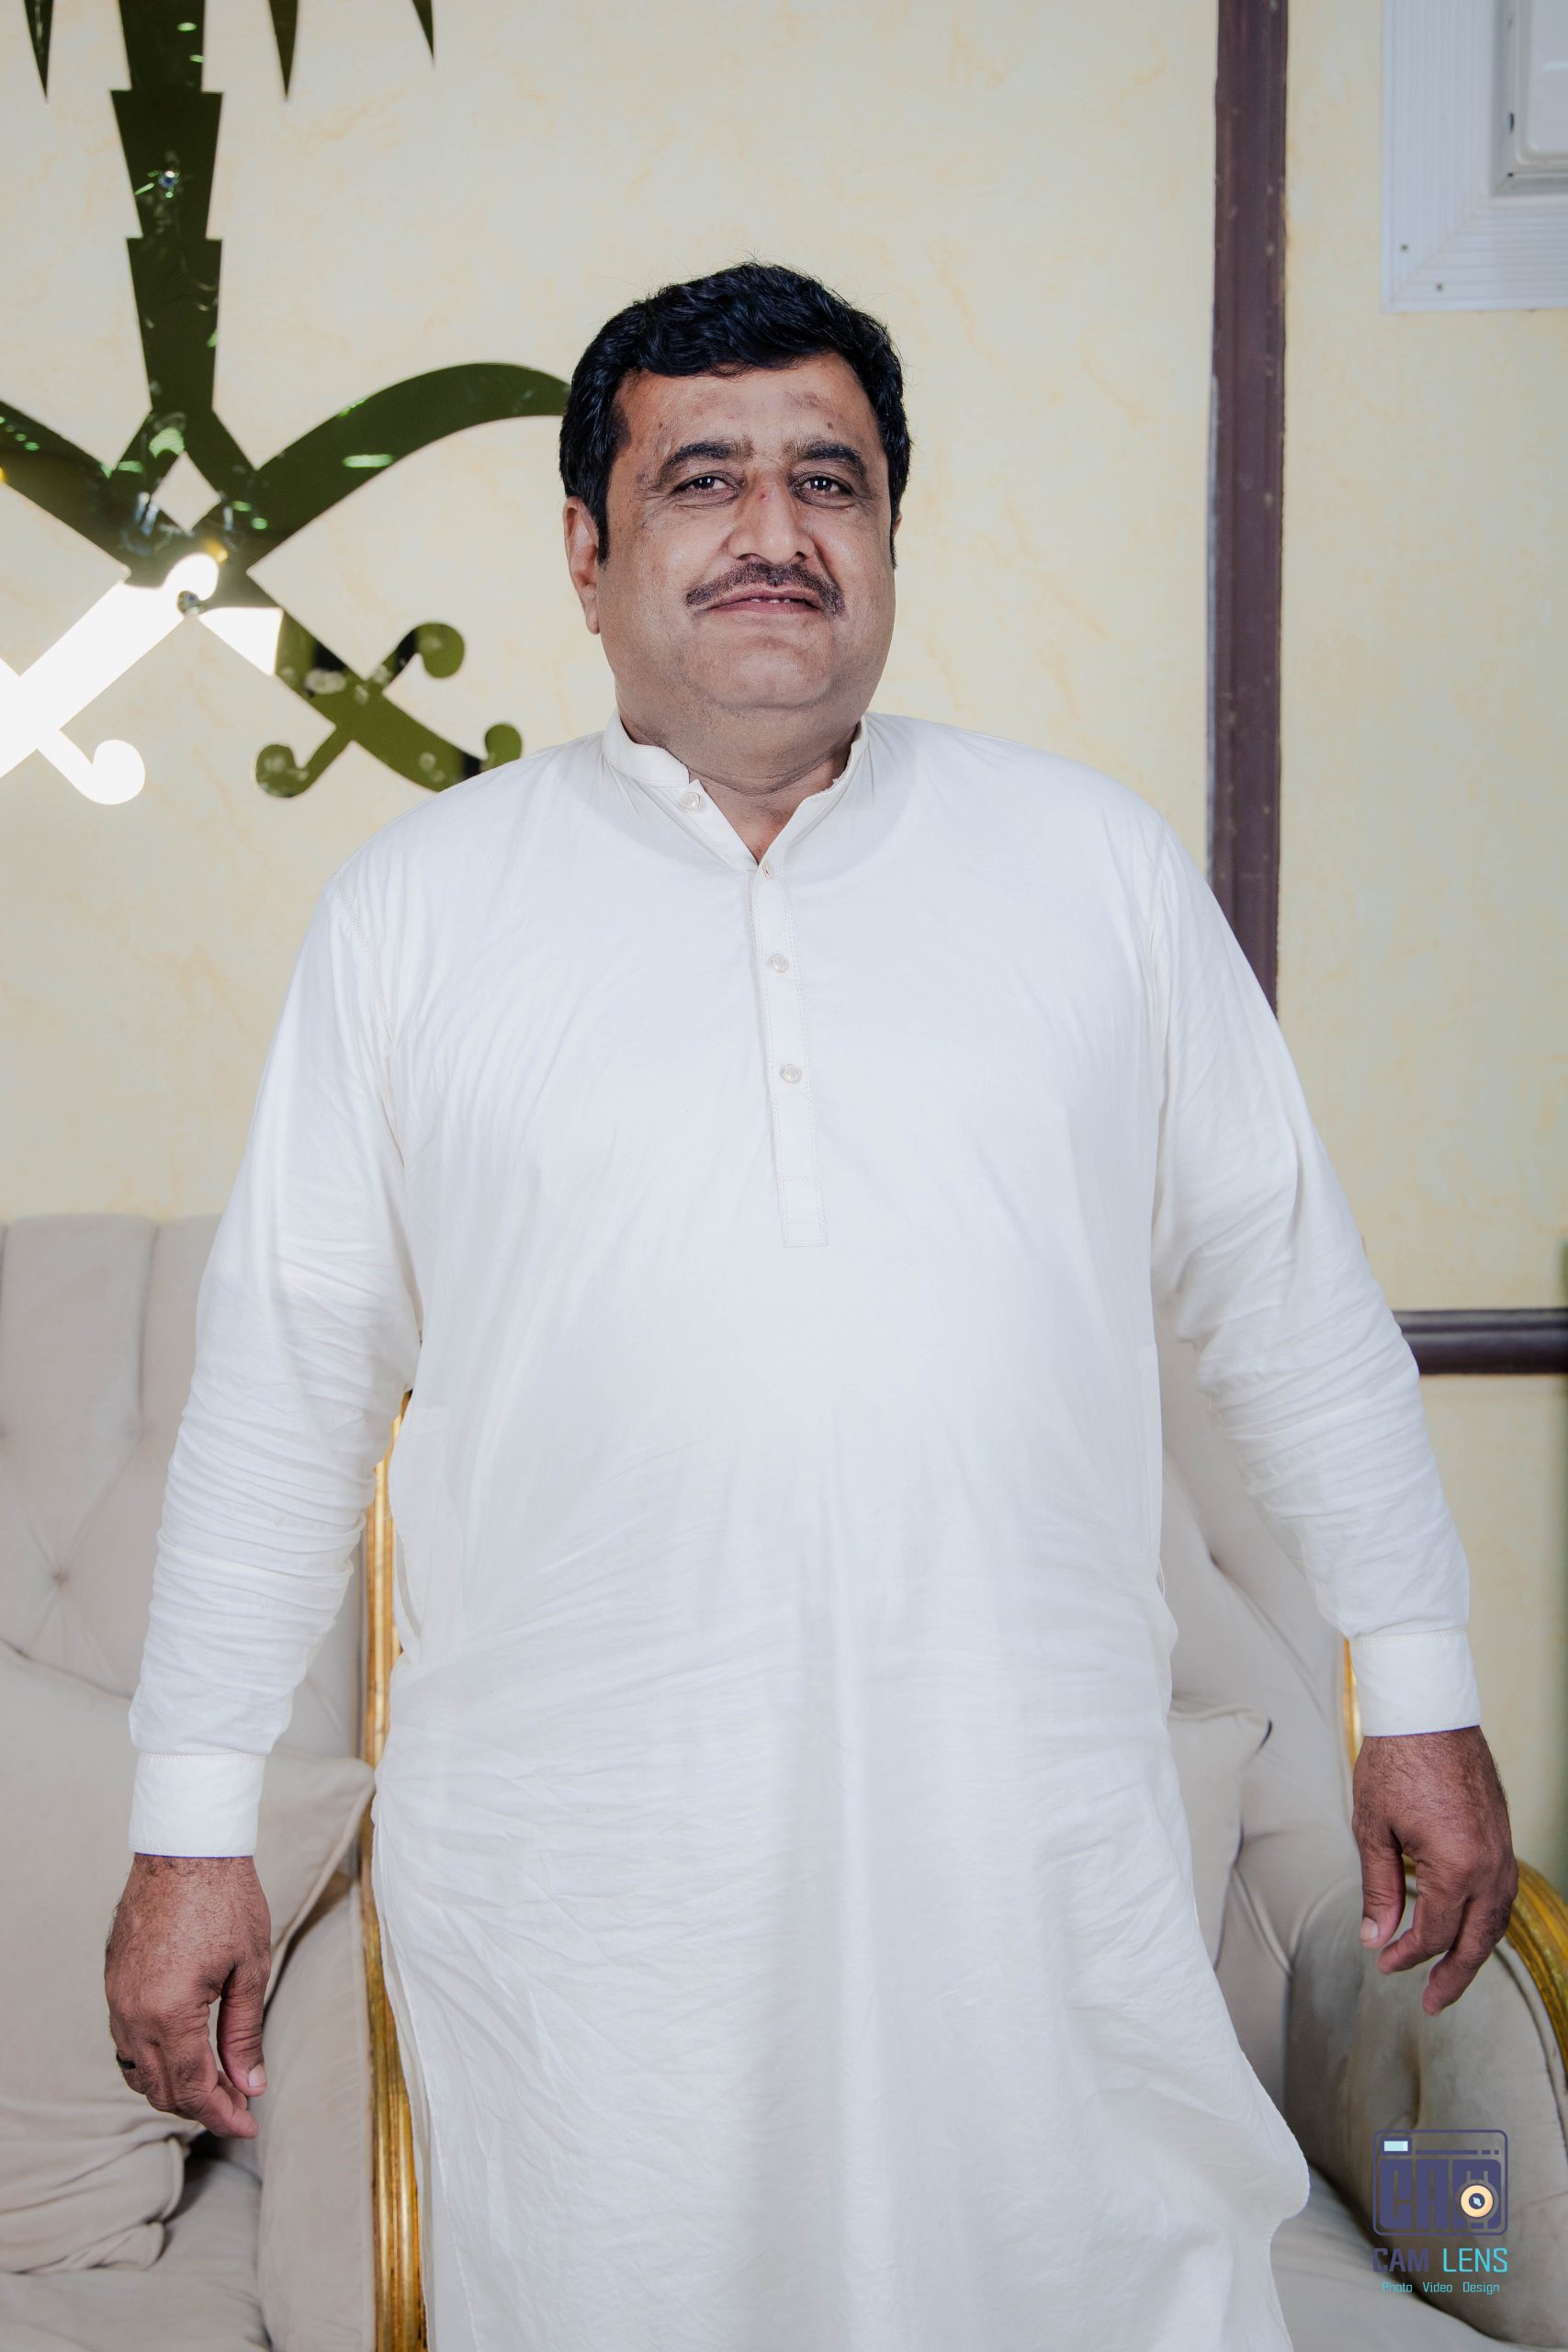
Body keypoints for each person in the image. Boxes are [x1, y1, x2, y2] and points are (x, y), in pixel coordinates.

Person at [106, 261, 1517, 2352]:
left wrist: (1415, 1686)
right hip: (598, 1873)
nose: (774, 531)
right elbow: (285, 1388)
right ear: (585, 551)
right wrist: (191, 1830)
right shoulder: (418, 913)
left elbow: (1286, 1298)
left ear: (887, 538)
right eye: (703, 480)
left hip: (1025, 1839)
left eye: (828, 481)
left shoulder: (1094, 871)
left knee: (1087, 2272)